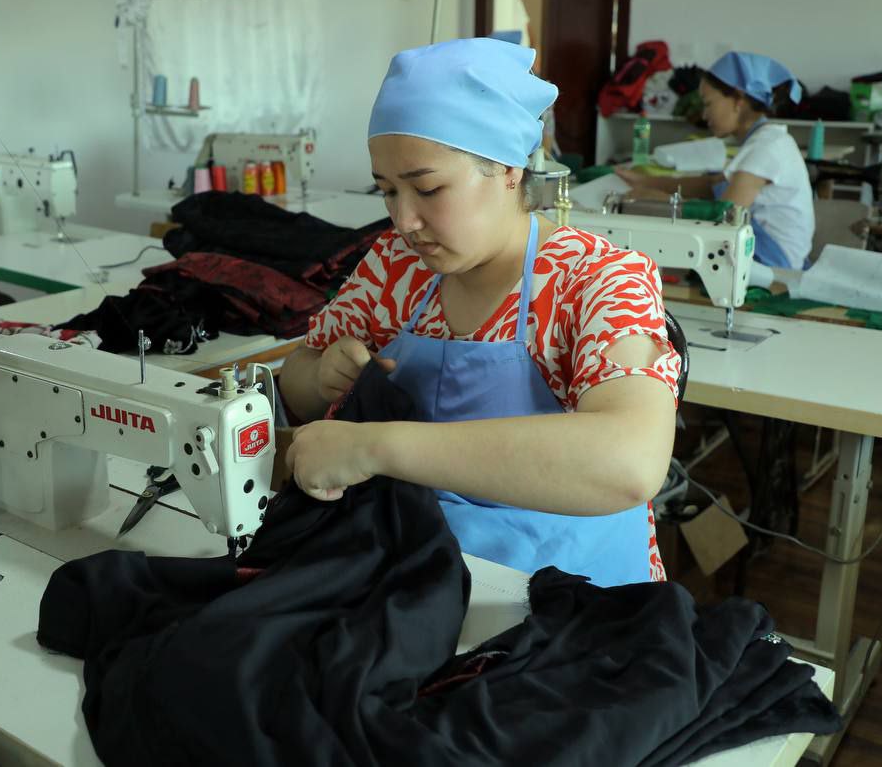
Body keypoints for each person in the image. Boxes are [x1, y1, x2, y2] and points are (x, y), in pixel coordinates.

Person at [278, 38, 681, 587]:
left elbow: (631, 462)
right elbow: (296, 377)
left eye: (427, 188)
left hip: (570, 593)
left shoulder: (595, 280)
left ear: (509, 168)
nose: (404, 221)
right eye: (387, 192)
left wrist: (375, 447)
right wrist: (322, 376)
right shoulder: (395, 268)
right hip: (420, 573)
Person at [617, 51, 814, 284]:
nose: (704, 114)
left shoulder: (767, 146)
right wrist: (643, 181)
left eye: (708, 104)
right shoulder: (762, 140)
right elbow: (710, 185)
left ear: (738, 100)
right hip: (770, 255)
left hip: (775, 267)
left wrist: (658, 201)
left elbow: (724, 216)